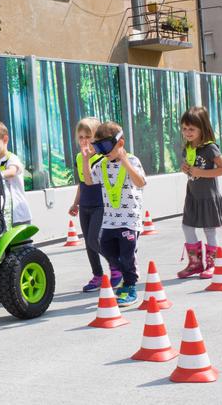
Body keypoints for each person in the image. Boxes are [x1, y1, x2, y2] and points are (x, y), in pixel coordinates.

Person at [82, 122, 146, 306]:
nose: (104, 152)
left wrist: (125, 161)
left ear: (120, 143)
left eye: (107, 147)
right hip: (109, 220)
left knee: (126, 255)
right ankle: (128, 273)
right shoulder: (101, 164)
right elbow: (88, 180)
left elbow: (140, 182)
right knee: (107, 249)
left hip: (129, 219)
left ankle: (130, 285)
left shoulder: (132, 160)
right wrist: (87, 160)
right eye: (98, 147)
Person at [68, 117, 122, 292]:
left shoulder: (102, 157)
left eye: (88, 136)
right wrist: (75, 203)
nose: (84, 140)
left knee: (94, 239)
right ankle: (98, 275)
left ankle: (116, 267)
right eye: (81, 137)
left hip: (101, 203)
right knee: (88, 242)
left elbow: (97, 180)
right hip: (85, 204)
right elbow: (82, 183)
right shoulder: (78, 157)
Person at [177, 107, 222, 279]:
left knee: (209, 230)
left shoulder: (210, 148)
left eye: (191, 129)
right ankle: (195, 263)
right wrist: (185, 169)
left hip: (208, 196)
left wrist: (200, 173)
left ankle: (213, 264)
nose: (187, 132)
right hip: (192, 195)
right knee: (187, 226)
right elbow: (191, 169)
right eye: (184, 128)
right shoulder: (188, 148)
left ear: (202, 128)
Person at [0, 121, 32, 226]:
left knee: (21, 241)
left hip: (18, 212)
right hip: (3, 212)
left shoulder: (11, 158)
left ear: (5, 139)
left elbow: (12, 172)